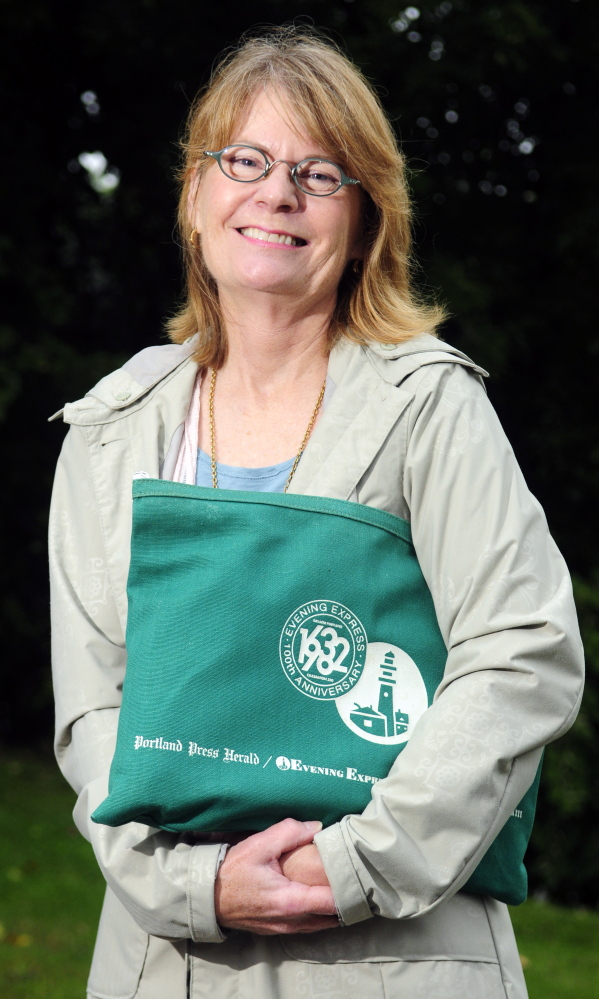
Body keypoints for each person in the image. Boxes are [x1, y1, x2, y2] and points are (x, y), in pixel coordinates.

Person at [49, 26, 583, 999]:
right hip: (164, 961)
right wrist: (194, 884)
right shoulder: (111, 430)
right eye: (243, 159)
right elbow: (91, 710)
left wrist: (346, 870)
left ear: (366, 214)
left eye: (318, 171)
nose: (276, 192)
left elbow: (521, 654)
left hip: (394, 953)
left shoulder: (428, 408)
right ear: (195, 194)